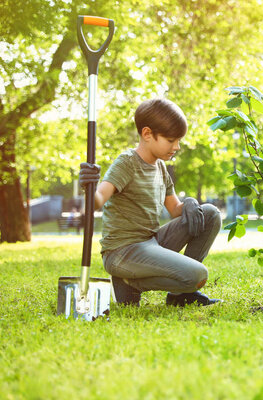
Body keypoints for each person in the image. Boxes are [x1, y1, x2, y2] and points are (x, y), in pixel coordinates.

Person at [79, 98, 222, 307]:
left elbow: (175, 209)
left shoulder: (160, 167)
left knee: (209, 213)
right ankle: (129, 282)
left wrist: (190, 202)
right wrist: (88, 186)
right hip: (122, 251)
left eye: (179, 140)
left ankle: (180, 296)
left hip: (151, 242)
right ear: (147, 134)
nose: (177, 146)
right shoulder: (127, 163)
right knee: (197, 275)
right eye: (171, 140)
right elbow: (98, 201)